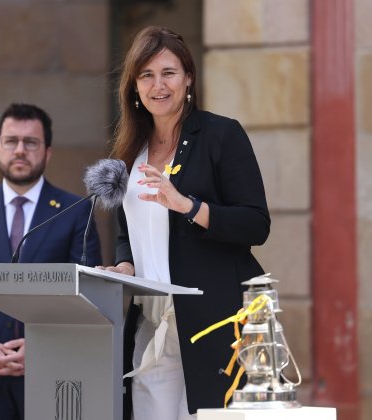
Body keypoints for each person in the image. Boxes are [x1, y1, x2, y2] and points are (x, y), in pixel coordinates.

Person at [100, 27, 270, 419]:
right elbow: (129, 231)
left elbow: (256, 224)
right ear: (134, 86)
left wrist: (189, 206)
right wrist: (126, 263)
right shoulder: (130, 150)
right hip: (151, 319)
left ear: (188, 77)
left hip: (213, 319)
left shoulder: (221, 135)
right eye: (146, 75)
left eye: (168, 73)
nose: (158, 85)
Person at [0, 103, 102, 420]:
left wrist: (42, 349)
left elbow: (89, 292)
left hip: (55, 377)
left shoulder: (75, 211)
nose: (20, 150)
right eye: (11, 141)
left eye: (31, 142)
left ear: (48, 152)